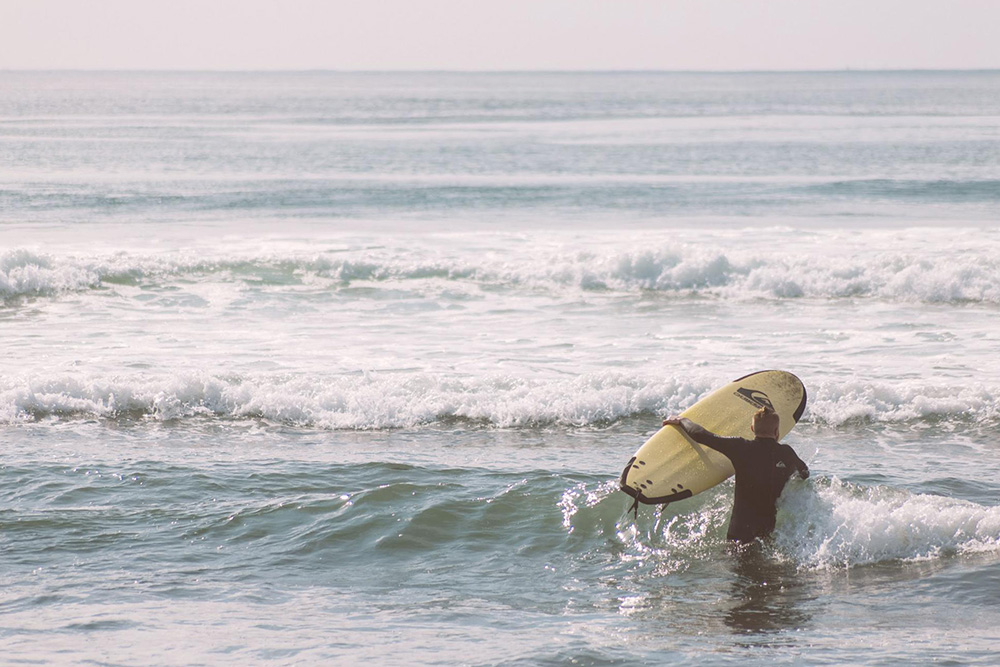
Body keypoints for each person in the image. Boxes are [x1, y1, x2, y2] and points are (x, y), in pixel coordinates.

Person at [662, 407, 809, 544]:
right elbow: (804, 472)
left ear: (752, 429)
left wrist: (682, 420)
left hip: (739, 531)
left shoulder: (741, 447)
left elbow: (701, 435)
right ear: (777, 431)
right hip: (767, 530)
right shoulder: (786, 453)